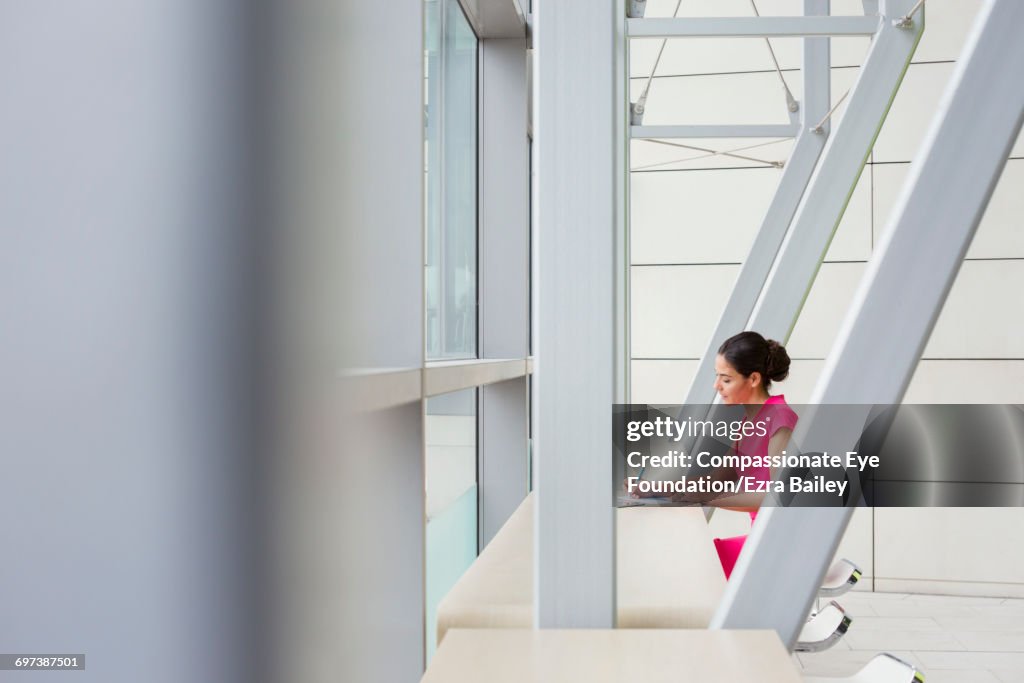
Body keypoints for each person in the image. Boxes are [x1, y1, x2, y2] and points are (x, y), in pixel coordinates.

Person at [705, 330, 798, 578]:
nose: (717, 386)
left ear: (754, 379)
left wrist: (700, 498)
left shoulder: (780, 417)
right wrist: (656, 487)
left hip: (778, 544)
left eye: (725, 379)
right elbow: (714, 481)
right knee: (692, 560)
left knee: (698, 566)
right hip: (764, 538)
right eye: (717, 377)